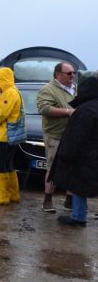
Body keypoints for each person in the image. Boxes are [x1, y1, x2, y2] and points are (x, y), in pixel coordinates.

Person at [49, 75, 98, 226]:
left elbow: (75, 136)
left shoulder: (84, 110)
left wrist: (65, 154)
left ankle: (78, 217)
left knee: (78, 186)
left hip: (84, 156)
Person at [36, 62, 77, 213]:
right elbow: (44, 108)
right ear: (58, 75)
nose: (73, 75)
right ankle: (47, 200)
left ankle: (69, 201)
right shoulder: (48, 90)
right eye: (69, 73)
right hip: (55, 135)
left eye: (74, 72)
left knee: (73, 167)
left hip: (73, 135)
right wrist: (68, 111)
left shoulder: (75, 88)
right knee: (53, 167)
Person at [0, 67, 23, 205]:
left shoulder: (9, 93)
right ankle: (13, 194)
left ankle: (3, 195)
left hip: (6, 134)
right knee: (8, 164)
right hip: (8, 134)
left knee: (0, 164)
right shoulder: (10, 91)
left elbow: (2, 114)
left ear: (2, 80)